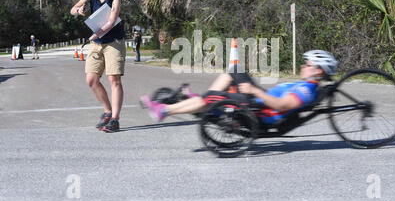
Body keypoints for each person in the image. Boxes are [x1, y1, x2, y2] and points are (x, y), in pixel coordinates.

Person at [140, 50, 338, 124]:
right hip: (259, 100)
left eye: (308, 65)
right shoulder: (306, 84)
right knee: (233, 70)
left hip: (261, 109)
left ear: (319, 71)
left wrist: (255, 91)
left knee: (210, 100)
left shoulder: (306, 89)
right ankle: (205, 99)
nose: (303, 66)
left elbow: (283, 106)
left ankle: (164, 110)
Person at [70, 0, 126, 133]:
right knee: (91, 80)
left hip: (113, 42)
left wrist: (95, 35)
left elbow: (111, 21)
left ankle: (115, 119)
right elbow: (73, 8)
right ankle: (107, 111)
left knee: (114, 80)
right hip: (97, 42)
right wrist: (78, 10)